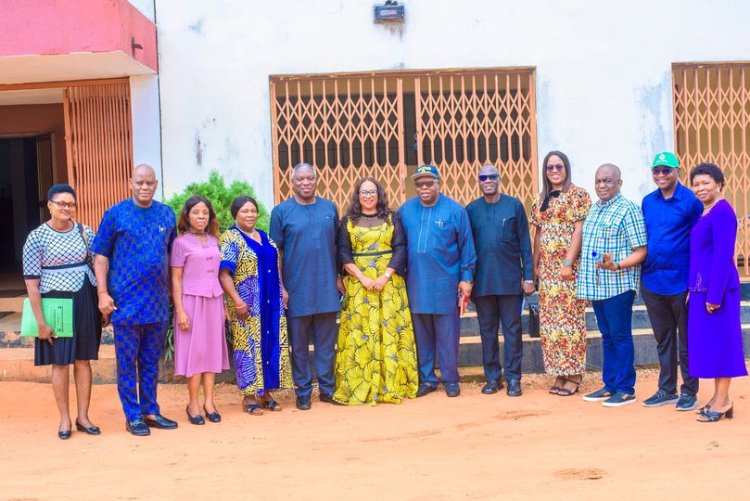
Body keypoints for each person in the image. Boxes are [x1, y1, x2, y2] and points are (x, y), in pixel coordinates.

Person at [92, 164, 178, 436]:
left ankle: (150, 410)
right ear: (131, 183)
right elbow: (101, 256)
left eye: (150, 183)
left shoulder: (166, 213)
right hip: (126, 304)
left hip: (157, 304)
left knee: (151, 361)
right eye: (140, 182)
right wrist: (103, 294)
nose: (145, 187)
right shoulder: (115, 214)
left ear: (156, 184)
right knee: (128, 363)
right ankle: (133, 415)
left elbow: (171, 254)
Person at [22, 184, 102, 440]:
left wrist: (102, 297)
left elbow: (98, 265)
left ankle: (83, 416)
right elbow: (32, 284)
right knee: (60, 362)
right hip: (55, 302)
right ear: (50, 205)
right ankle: (65, 419)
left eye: (71, 204)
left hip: (84, 297)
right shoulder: (36, 237)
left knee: (83, 359)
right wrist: (41, 322)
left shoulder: (85, 232)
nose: (66, 208)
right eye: (61, 204)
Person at [333, 178, 418, 405]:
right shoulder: (348, 221)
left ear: (378, 194)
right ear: (357, 195)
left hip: (389, 284)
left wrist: (385, 276)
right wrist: (361, 277)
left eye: (372, 192)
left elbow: (401, 248)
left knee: (390, 330)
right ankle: (362, 383)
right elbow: (343, 252)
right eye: (363, 192)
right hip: (359, 284)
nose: (368, 196)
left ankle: (390, 383)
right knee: (361, 332)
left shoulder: (392, 218)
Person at [397, 165, 476, 398]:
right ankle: (427, 379)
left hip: (445, 283)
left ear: (438, 183)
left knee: (448, 334)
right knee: (421, 336)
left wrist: (467, 278)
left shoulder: (455, 210)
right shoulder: (405, 211)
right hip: (415, 284)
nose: (424, 188)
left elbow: (467, 247)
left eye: (429, 183)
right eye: (419, 183)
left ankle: (451, 379)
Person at [270, 163, 341, 410]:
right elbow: (275, 252)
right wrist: (281, 287)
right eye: (300, 179)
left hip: (326, 287)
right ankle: (302, 391)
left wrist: (339, 278)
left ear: (316, 179)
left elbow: (338, 246)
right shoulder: (281, 212)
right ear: (292, 182)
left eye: (310, 178)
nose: (305, 183)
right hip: (296, 289)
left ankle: (327, 389)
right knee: (298, 345)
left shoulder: (329, 208)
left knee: (326, 344)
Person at [578, 164, 647, 407]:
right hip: (597, 286)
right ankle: (611, 385)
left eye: (607, 181)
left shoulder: (628, 210)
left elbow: (641, 251)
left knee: (620, 335)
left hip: (618, 285)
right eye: (598, 181)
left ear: (619, 182)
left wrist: (616, 265)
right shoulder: (594, 208)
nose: (602, 185)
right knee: (607, 336)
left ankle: (626, 389)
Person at [640, 152, 703, 411]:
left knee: (687, 341)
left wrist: (696, 284)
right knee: (663, 339)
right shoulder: (648, 201)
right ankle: (666, 389)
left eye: (666, 170)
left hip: (682, 284)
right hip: (653, 282)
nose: (661, 175)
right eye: (657, 171)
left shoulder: (691, 201)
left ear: (677, 170)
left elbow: (700, 243)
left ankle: (689, 391)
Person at [219, 195, 293, 415]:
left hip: (271, 301)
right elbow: (224, 274)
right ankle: (249, 397)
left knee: (270, 343)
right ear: (235, 214)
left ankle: (266, 393)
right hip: (246, 305)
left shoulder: (264, 236)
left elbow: (276, 262)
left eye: (253, 210)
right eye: (244, 211)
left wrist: (282, 288)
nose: (250, 215)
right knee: (247, 348)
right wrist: (237, 301)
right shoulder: (230, 238)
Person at [466, 165, 534, 397]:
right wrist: (467, 279)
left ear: (499, 179)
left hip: (510, 281)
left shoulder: (514, 205)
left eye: (492, 177)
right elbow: (467, 248)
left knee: (513, 331)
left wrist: (529, 277)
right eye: (483, 177)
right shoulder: (472, 210)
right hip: (482, 283)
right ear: (479, 181)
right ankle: (493, 378)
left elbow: (525, 243)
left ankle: (514, 378)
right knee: (487, 332)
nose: (488, 181)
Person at [687, 163, 747, 423]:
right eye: (696, 184)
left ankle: (723, 400)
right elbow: (701, 256)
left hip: (718, 292)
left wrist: (714, 295)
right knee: (710, 345)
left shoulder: (723, 212)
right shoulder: (707, 212)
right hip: (703, 289)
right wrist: (695, 290)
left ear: (720, 183)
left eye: (706, 183)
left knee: (722, 345)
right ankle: (717, 398)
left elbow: (723, 257)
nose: (700, 188)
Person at [530, 151, 591, 397]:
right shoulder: (541, 198)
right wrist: (534, 266)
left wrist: (567, 262)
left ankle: (574, 373)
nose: (554, 171)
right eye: (550, 168)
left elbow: (579, 231)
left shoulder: (578, 195)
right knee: (551, 324)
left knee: (570, 322)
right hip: (547, 273)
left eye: (559, 166)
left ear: (566, 169)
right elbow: (538, 234)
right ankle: (559, 372)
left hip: (568, 271)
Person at [171, 195, 230, 425]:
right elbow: (175, 279)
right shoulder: (181, 243)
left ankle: (209, 402)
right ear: (187, 215)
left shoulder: (215, 240)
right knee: (195, 353)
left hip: (214, 300)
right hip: (191, 302)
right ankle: (193, 403)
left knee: (211, 352)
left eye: (205, 212)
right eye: (196, 212)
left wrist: (225, 304)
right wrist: (180, 311)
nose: (201, 216)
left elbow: (218, 273)